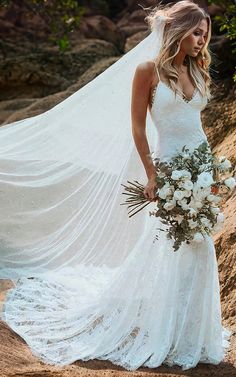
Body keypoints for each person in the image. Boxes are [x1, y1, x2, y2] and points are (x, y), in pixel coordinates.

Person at [0, 0, 232, 372]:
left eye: (205, 32)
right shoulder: (148, 71)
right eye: (196, 31)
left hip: (200, 169)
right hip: (170, 169)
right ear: (178, 30)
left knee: (199, 245)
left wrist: (212, 174)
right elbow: (139, 128)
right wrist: (152, 174)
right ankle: (162, 328)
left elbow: (197, 126)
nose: (202, 38)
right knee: (167, 245)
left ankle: (192, 332)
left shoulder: (199, 72)